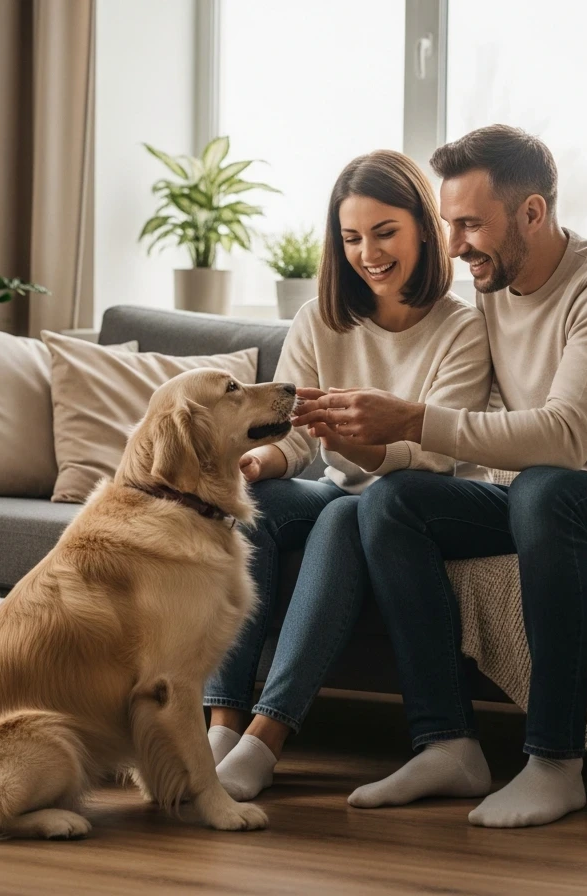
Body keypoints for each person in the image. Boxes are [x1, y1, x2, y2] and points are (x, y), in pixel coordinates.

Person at [292, 125, 587, 828]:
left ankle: (555, 762)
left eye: (471, 224)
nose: (455, 244)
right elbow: (460, 415)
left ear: (533, 213)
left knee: (544, 485)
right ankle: (447, 743)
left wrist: (410, 419)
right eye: (449, 223)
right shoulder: (490, 285)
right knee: (395, 503)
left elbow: (563, 436)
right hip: (548, 503)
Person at [204, 149, 493, 801]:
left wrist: (358, 446)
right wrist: (261, 460)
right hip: (342, 486)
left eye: (385, 232)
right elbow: (299, 437)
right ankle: (222, 723)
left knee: (345, 510)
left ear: (424, 226)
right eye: (352, 237)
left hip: (419, 498)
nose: (370, 253)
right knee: (262, 500)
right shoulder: (320, 318)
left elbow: (436, 457)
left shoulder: (462, 328)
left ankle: (266, 739)